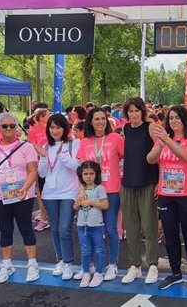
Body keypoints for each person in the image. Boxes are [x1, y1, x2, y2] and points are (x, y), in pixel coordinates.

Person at [0, 113, 40, 284]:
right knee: (5, 229)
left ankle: (32, 264)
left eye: (12, 126)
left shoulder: (26, 147)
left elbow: (33, 170)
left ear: (17, 128)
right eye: (4, 126)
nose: (8, 129)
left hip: (22, 195)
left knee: (25, 227)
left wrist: (24, 188)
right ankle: (6, 264)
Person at [146, 105, 187, 291]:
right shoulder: (163, 140)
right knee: (170, 236)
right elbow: (150, 160)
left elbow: (186, 156)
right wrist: (161, 145)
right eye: (170, 118)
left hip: (186, 195)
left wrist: (168, 141)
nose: (173, 121)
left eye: (177, 117)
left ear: (185, 120)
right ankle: (175, 272)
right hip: (166, 194)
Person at [76, 107, 125, 281]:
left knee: (111, 228)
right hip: (91, 192)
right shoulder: (85, 142)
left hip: (111, 190)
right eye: (96, 119)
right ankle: (88, 265)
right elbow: (81, 170)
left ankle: (112, 264)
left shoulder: (116, 138)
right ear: (90, 121)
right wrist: (81, 193)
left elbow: (124, 158)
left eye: (103, 119)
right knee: (90, 229)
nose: (100, 122)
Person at [119, 98, 160, 284]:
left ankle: (152, 264)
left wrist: (159, 181)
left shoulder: (150, 127)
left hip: (148, 182)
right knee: (131, 226)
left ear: (142, 112)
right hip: (128, 183)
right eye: (130, 111)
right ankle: (134, 265)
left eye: (137, 111)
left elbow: (160, 151)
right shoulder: (125, 129)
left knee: (149, 226)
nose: (134, 114)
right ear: (126, 113)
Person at [37, 114, 81, 281]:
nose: (55, 131)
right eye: (52, 127)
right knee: (55, 229)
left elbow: (76, 167)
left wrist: (62, 155)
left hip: (69, 193)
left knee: (64, 230)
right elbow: (41, 173)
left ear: (65, 128)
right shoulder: (45, 147)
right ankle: (60, 260)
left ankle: (68, 262)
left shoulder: (73, 144)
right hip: (49, 193)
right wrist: (43, 156)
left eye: (58, 127)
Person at [74, 161, 109, 288]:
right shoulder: (80, 191)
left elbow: (105, 205)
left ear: (96, 174)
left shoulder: (100, 188)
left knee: (99, 249)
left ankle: (99, 273)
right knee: (84, 250)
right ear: (81, 175)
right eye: (85, 174)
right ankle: (87, 273)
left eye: (91, 173)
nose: (88, 176)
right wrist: (77, 204)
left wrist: (91, 202)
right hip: (82, 225)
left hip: (96, 225)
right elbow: (75, 207)